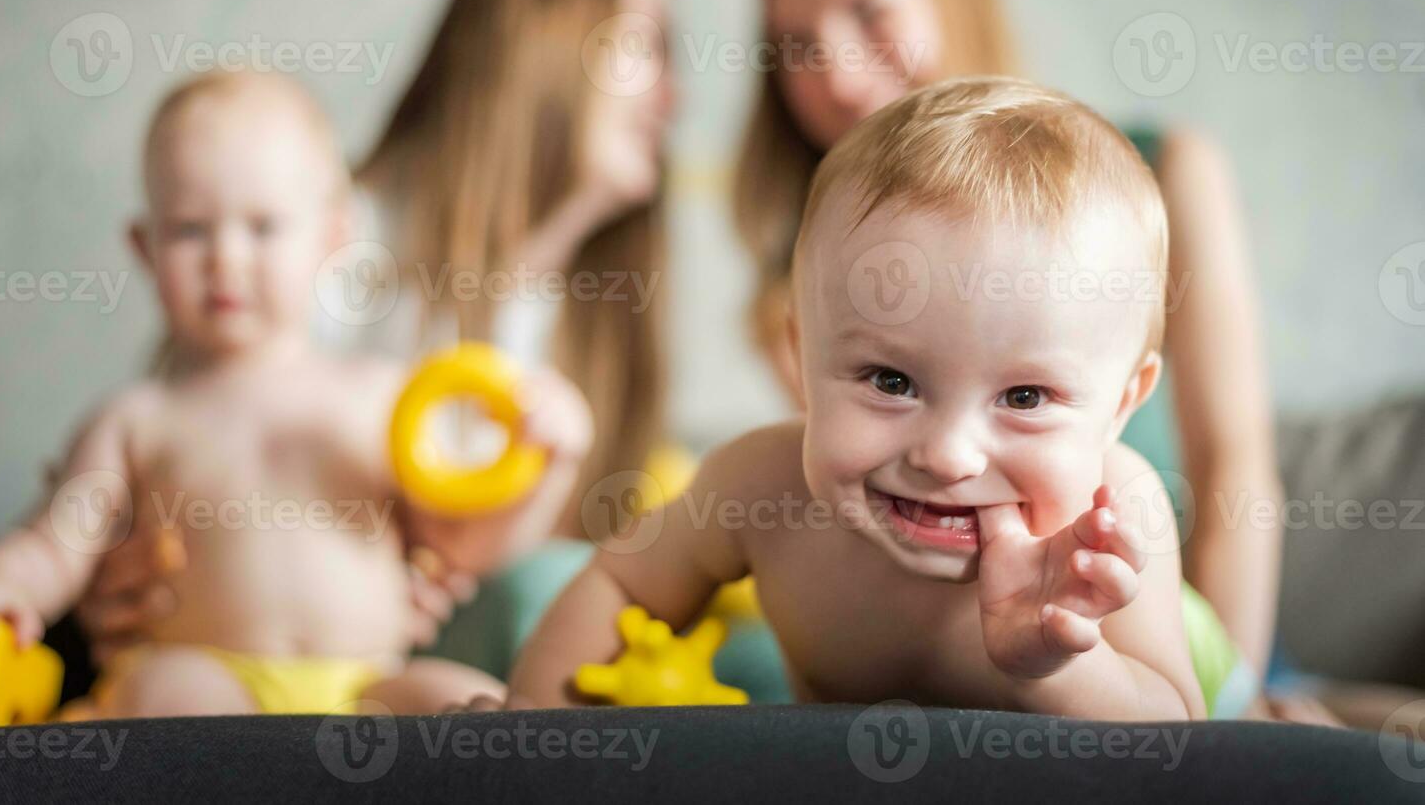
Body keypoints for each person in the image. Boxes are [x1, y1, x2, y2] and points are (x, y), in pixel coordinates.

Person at [511, 79, 1223, 718]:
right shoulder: (761, 485)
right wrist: (529, 720)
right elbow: (624, 582)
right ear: (802, 350)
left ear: (1123, 404)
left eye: (1025, 396)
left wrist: (1059, 666)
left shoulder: (1110, 522)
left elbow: (1177, 735)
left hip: (1196, 673)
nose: (947, 456)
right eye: (892, 382)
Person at [732, 0, 1282, 678]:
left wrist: (1238, 682)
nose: (838, 78)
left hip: (1178, 629)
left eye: (869, 13)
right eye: (797, 47)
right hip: (995, 649)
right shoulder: (808, 289)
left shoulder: (1160, 178)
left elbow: (1235, 460)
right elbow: (914, 541)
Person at [0, 72, 591, 716]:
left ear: (332, 238)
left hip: (358, 687)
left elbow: (461, 550)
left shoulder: (379, 397)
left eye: (262, 227)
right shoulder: (136, 419)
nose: (226, 259)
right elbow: (54, 545)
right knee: (168, 695)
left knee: (471, 702)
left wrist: (548, 463)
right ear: (145, 250)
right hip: (207, 678)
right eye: (189, 231)